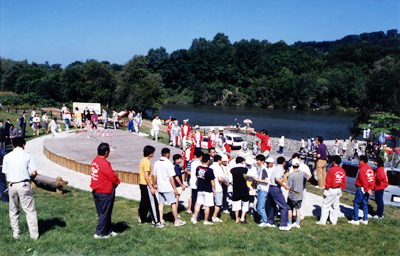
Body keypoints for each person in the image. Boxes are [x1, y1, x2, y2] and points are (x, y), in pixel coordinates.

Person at [2, 137, 39, 239]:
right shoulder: (27, 156)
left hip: (12, 185)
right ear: (24, 145)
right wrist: (31, 177)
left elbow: (6, 174)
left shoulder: (7, 157)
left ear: (13, 145)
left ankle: (16, 233)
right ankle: (34, 235)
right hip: (24, 184)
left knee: (13, 210)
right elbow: (34, 172)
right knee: (29, 210)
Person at [90, 143, 121, 239]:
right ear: (106, 152)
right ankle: (99, 233)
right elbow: (111, 175)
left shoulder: (95, 161)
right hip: (105, 191)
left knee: (102, 212)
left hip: (96, 190)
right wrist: (117, 182)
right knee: (105, 212)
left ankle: (108, 230)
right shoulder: (104, 163)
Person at [154, 148, 186, 227]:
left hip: (160, 187)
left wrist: (155, 184)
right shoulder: (168, 163)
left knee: (161, 203)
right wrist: (175, 188)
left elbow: (154, 175)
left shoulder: (156, 163)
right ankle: (176, 221)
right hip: (168, 187)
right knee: (173, 203)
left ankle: (161, 220)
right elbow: (171, 177)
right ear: (168, 154)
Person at [316, 155, 346, 226]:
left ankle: (323, 221)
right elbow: (343, 180)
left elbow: (328, 180)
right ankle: (333, 221)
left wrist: (326, 187)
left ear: (334, 161)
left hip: (332, 189)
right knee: (335, 206)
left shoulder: (331, 170)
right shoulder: (342, 170)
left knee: (325, 205)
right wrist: (342, 188)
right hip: (339, 189)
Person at [138, 145, 162, 227]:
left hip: (142, 184)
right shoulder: (147, 162)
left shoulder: (142, 160)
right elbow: (146, 175)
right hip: (146, 185)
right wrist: (151, 187)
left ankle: (141, 219)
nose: (153, 154)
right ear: (150, 154)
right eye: (152, 152)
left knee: (144, 203)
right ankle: (156, 221)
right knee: (153, 203)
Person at [265, 156, 291, 231]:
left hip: (271, 188)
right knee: (284, 206)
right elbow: (277, 179)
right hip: (276, 188)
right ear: (284, 163)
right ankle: (283, 225)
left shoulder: (275, 168)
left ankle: (270, 222)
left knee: (272, 205)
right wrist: (285, 186)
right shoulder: (280, 169)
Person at [348, 155, 375, 225]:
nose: (358, 161)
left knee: (356, 203)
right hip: (368, 188)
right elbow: (372, 179)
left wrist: (366, 188)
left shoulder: (362, 169)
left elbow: (363, 180)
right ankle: (365, 219)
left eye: (359, 160)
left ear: (362, 161)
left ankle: (355, 219)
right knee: (365, 204)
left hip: (362, 188)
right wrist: (370, 188)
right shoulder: (370, 168)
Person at [192, 154, 216, 225]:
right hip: (207, 189)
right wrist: (214, 189)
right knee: (207, 205)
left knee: (198, 203)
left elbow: (197, 178)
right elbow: (212, 181)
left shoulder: (198, 168)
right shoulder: (210, 170)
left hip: (200, 188)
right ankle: (206, 220)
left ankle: (195, 218)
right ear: (208, 161)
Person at [287, 159, 311, 228]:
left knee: (290, 209)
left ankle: (289, 222)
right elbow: (307, 178)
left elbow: (289, 186)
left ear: (292, 165)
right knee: (298, 209)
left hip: (292, 195)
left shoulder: (291, 175)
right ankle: (297, 223)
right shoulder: (303, 173)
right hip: (300, 194)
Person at [230, 157, 250, 224]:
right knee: (245, 203)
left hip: (236, 189)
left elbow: (230, 180)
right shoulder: (245, 170)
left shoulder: (232, 170)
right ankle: (242, 217)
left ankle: (236, 218)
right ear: (242, 162)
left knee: (236, 204)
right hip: (244, 188)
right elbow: (248, 179)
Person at [209, 154, 228, 222]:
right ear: (219, 160)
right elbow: (220, 178)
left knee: (211, 203)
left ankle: (210, 215)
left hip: (210, 187)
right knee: (218, 204)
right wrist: (226, 181)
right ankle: (214, 217)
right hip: (218, 188)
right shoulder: (218, 167)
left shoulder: (210, 166)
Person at [254, 154, 269, 227]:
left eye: (258, 160)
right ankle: (263, 219)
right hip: (260, 188)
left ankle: (264, 220)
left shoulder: (264, 169)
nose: (257, 162)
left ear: (262, 161)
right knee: (259, 206)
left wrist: (258, 180)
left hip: (263, 189)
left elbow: (266, 180)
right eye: (256, 160)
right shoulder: (259, 168)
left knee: (260, 207)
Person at [188, 150, 203, 215]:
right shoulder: (199, 164)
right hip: (197, 183)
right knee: (197, 199)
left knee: (194, 197)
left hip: (192, 182)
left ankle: (193, 210)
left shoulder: (193, 162)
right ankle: (196, 212)